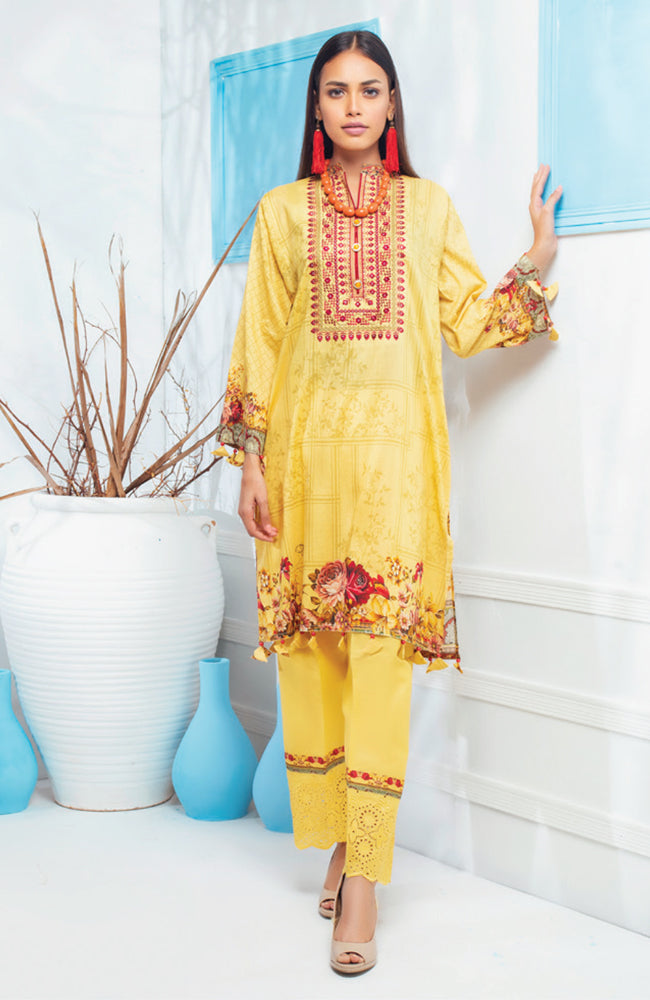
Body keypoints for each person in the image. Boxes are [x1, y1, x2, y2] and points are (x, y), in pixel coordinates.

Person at [215, 29, 561, 976]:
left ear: (393, 103)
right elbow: (260, 344)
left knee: (378, 664)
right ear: (318, 109)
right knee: (312, 662)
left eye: (370, 90)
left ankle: (365, 875)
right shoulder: (281, 214)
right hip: (302, 471)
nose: (355, 106)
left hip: (396, 473)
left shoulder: (428, 209)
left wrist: (536, 255)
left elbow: (468, 321)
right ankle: (338, 841)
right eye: (337, 92)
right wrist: (249, 464)